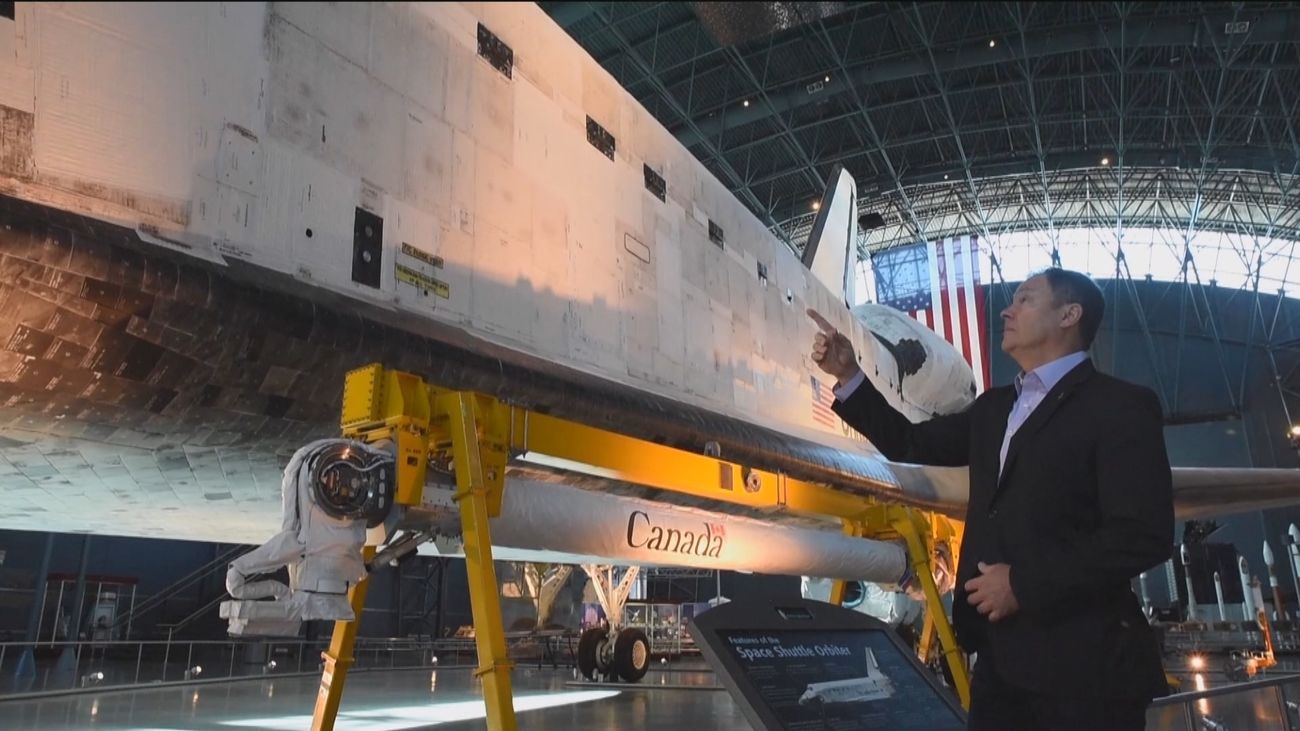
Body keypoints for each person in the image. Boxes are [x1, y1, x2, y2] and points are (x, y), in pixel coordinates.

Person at [809, 268, 1173, 731]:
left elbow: (1142, 536)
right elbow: (909, 443)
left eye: (1025, 300)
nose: (1007, 309)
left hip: (1086, 670)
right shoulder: (993, 410)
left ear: (1069, 314)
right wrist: (850, 374)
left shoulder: (1120, 407)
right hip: (999, 665)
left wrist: (1023, 584)